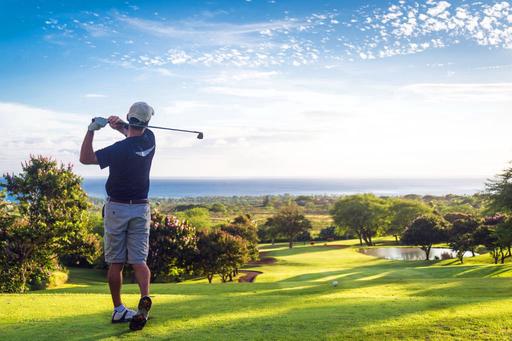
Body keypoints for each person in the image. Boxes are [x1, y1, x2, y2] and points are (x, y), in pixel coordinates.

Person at [79, 102, 156, 331]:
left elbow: (86, 158)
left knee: (116, 262)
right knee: (139, 261)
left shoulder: (118, 150)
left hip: (117, 209)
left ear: (129, 118)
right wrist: (119, 126)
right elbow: (132, 133)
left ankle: (119, 310)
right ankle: (144, 297)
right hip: (141, 208)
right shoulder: (150, 140)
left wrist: (92, 129)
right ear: (147, 122)